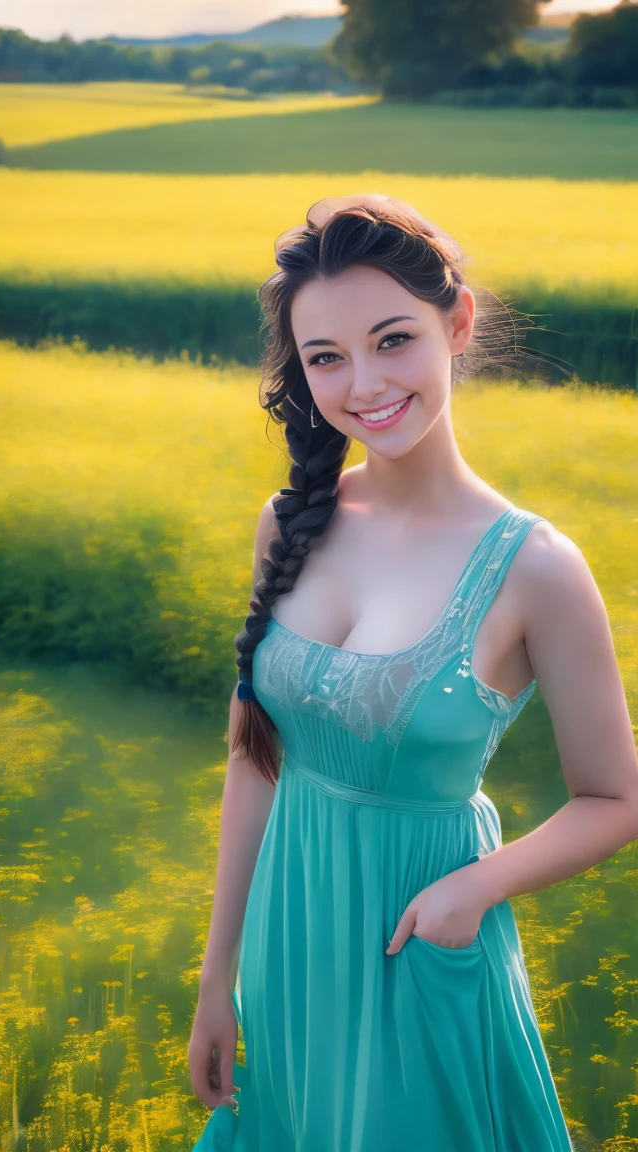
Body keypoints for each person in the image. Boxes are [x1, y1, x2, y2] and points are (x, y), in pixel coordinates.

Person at [187, 194, 638, 1151]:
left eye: (393, 340)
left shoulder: (535, 567)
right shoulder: (292, 523)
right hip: (290, 940)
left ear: (457, 323)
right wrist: (217, 978)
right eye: (326, 358)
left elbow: (616, 797)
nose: (365, 384)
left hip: (418, 944)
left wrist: (476, 888)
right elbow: (256, 758)